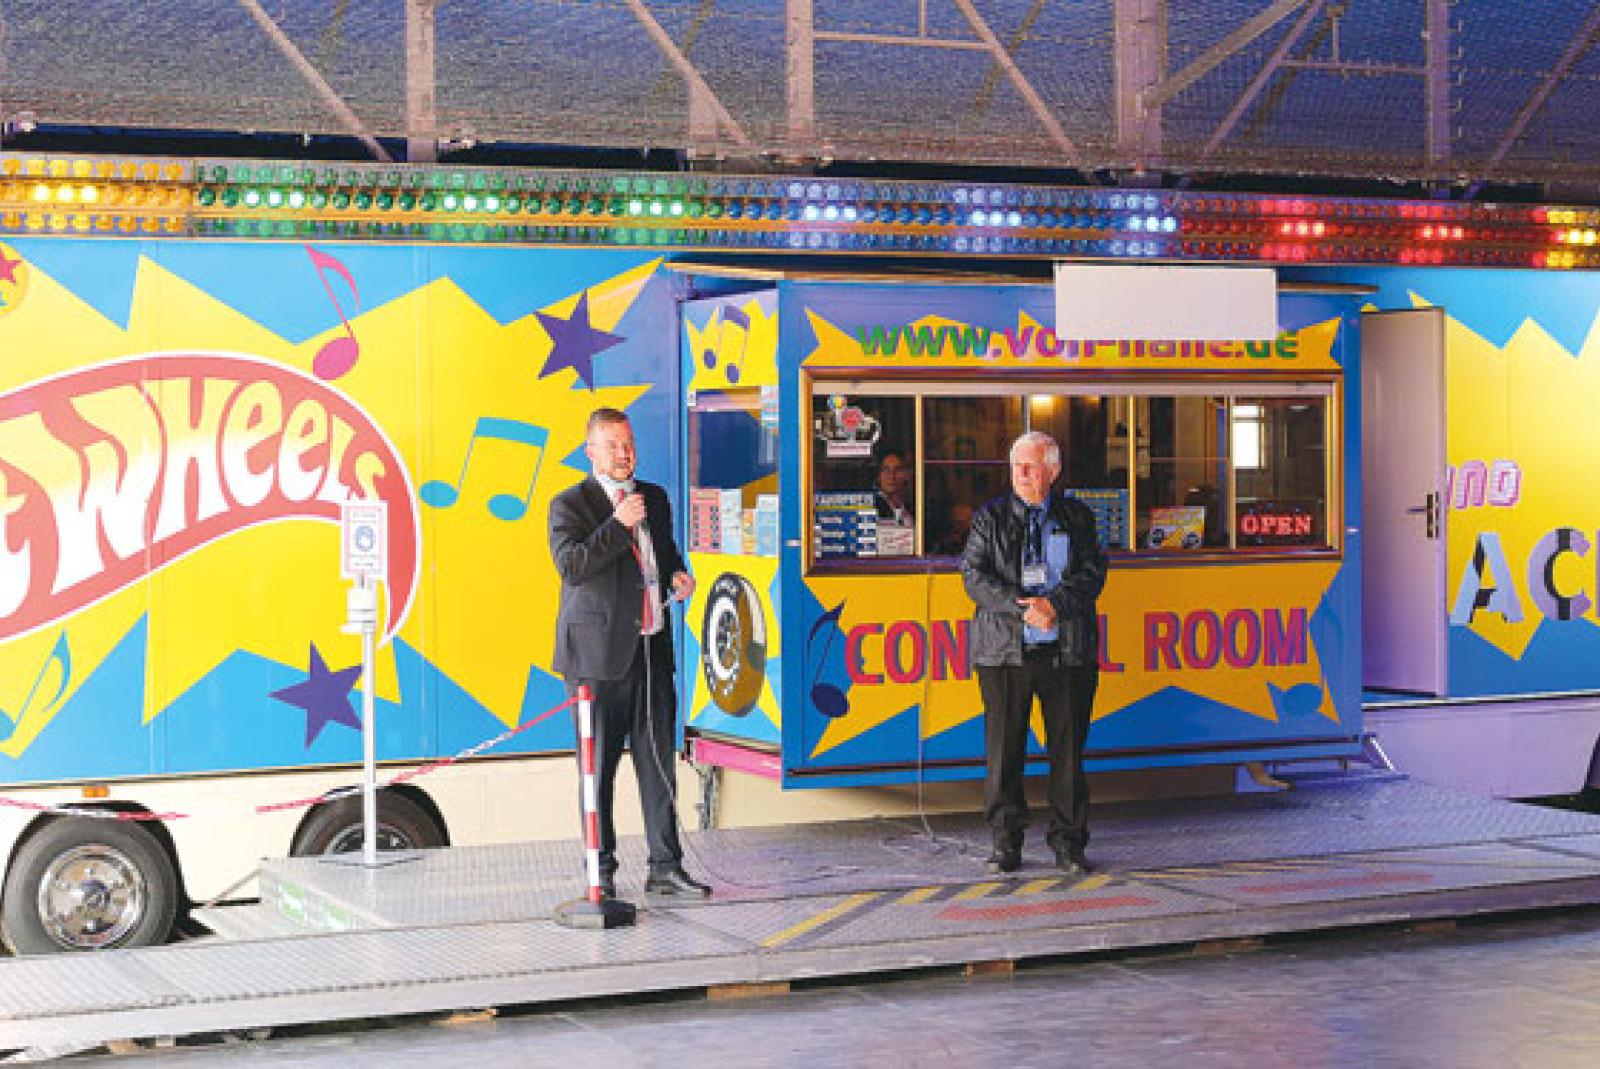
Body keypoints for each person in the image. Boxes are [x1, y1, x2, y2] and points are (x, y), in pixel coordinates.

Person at [548, 407, 710, 901]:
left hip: (651, 651)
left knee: (658, 764)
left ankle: (666, 867)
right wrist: (618, 525)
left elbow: (665, 555)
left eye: (629, 444)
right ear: (590, 451)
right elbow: (572, 566)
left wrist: (678, 577)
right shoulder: (570, 504)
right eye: (614, 445)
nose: (625, 454)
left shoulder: (653, 498)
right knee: (597, 773)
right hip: (596, 662)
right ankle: (601, 872)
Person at [960, 431, 1107, 876]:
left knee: (1068, 754)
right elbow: (974, 576)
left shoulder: (1077, 517)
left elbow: (1094, 573)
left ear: (1053, 471)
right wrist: (1021, 609)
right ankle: (1006, 843)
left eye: (1031, 465)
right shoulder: (989, 518)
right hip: (1005, 653)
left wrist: (1054, 606)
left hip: (1066, 652)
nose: (1022, 473)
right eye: (1016, 466)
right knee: (1004, 752)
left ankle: (1069, 844)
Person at [873, 450, 914, 525]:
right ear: (879, 476)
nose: (891, 476)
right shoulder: (873, 505)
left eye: (897, 470)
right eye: (886, 470)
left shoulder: (911, 506)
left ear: (906, 475)